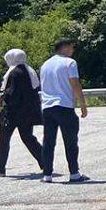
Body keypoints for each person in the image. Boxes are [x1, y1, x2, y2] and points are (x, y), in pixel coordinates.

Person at [39, 38, 89, 184]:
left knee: (48, 141)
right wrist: (82, 104)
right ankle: (74, 173)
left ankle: (47, 174)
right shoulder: (69, 63)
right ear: (65, 47)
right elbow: (75, 83)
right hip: (64, 105)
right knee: (70, 141)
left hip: (47, 106)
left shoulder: (45, 65)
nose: (72, 51)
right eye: (71, 48)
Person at [0, 49, 43, 176]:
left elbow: (13, 94)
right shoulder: (29, 71)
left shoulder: (15, 73)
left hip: (12, 113)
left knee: (3, 140)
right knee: (28, 138)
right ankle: (46, 162)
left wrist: (0, 100)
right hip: (27, 113)